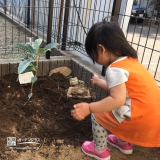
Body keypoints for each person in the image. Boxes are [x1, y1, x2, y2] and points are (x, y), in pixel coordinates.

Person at [71, 17, 160, 160]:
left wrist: (89, 107)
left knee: (99, 115)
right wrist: (99, 82)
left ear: (101, 49)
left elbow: (117, 99)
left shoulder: (114, 69)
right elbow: (122, 91)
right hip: (153, 116)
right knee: (120, 109)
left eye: (93, 54)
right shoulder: (131, 61)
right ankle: (123, 143)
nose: (95, 58)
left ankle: (99, 150)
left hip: (138, 117)